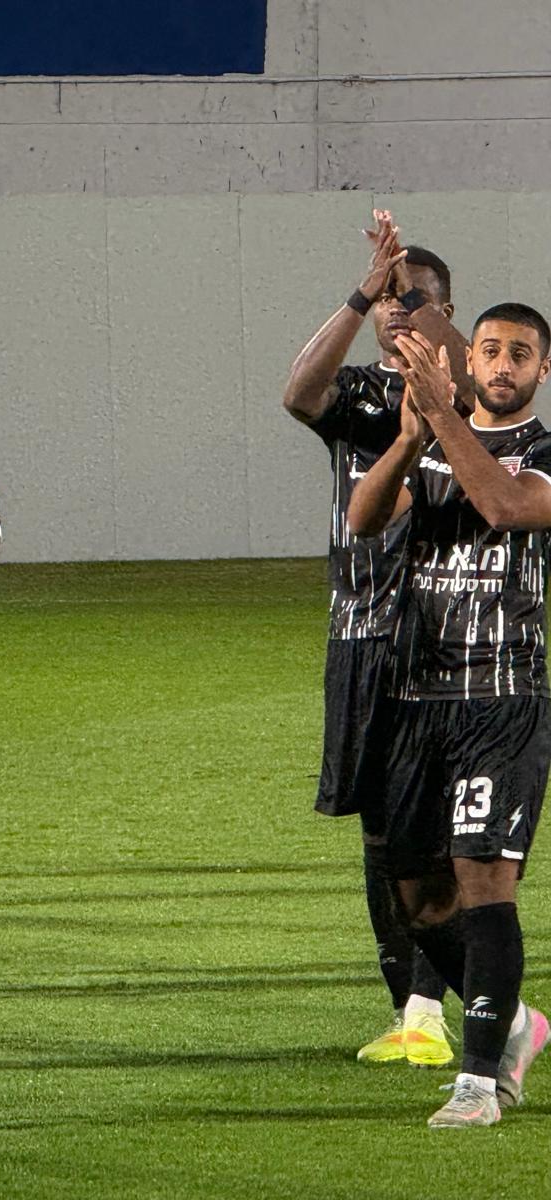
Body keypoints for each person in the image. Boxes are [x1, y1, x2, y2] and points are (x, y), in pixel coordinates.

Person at [347, 307, 551, 1127]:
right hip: (416, 699)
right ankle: (515, 1023)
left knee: (483, 877)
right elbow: (364, 520)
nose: (502, 365)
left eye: (520, 355)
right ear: (470, 359)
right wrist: (408, 437)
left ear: (542, 371)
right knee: (416, 897)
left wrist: (439, 414)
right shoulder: (430, 438)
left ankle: (478, 1083)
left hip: (502, 699)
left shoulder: (542, 456)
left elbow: (502, 506)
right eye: (490, 350)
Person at [281, 210, 468, 1066]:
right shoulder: (360, 393)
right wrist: (364, 294)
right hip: (358, 638)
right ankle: (408, 1010)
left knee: (436, 836)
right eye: (391, 299)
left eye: (412, 297)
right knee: (380, 835)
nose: (398, 309)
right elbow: (298, 394)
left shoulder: (469, 394)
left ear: (444, 310)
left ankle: (438, 1007)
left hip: (441, 642)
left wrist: (421, 313)